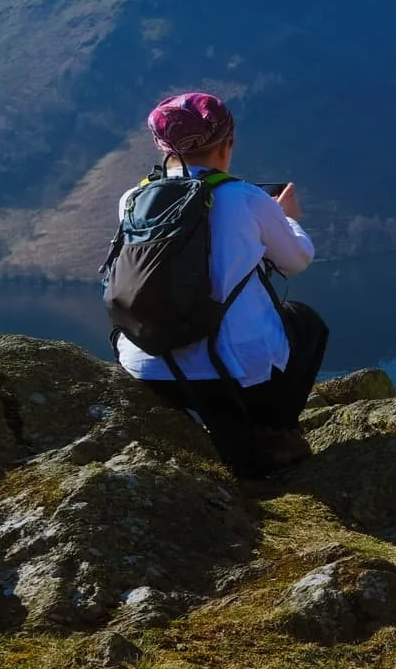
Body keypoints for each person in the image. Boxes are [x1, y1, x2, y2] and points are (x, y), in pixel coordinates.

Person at [114, 92, 328, 477]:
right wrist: (288, 219)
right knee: (307, 325)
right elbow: (297, 261)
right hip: (233, 377)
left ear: (163, 148)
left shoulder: (133, 198)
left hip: (147, 370)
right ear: (227, 146)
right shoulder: (243, 197)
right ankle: (271, 433)